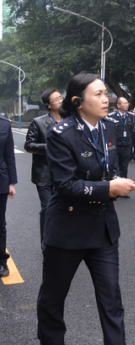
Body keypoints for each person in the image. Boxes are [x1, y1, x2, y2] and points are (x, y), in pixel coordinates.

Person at [37, 73, 135, 345]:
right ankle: (50, 342)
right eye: (97, 94)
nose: (106, 98)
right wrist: (109, 187)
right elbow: (66, 185)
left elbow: (108, 169)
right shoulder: (61, 135)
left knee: (112, 301)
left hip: (103, 230)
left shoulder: (107, 128)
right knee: (53, 295)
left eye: (105, 92)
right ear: (78, 102)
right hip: (67, 229)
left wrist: (116, 181)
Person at [24, 88, 62, 241]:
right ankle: (46, 242)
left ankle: (61, 240)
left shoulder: (71, 121)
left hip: (65, 174)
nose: (61, 100)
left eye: (61, 97)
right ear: (48, 105)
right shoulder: (38, 123)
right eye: (56, 99)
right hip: (44, 173)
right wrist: (50, 147)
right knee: (47, 208)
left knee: (64, 209)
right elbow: (29, 145)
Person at [0, 113, 17, 278]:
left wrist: (11, 182)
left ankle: (1, 261)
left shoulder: (4, 124)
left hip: (1, 181)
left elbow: (9, 155)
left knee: (0, 224)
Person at [108, 97, 134, 181]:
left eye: (127, 103)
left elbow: (132, 131)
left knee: (124, 168)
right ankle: (114, 188)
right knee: (114, 168)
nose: (127, 105)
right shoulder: (111, 116)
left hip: (126, 146)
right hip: (115, 146)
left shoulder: (131, 116)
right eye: (124, 103)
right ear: (118, 105)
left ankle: (124, 188)